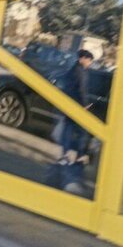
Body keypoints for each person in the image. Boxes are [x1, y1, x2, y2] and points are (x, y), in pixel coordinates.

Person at [48, 49, 96, 195]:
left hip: (71, 104)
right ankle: (78, 154)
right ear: (83, 59)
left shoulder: (74, 69)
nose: (90, 63)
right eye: (89, 60)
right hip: (77, 106)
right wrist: (85, 104)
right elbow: (81, 89)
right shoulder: (80, 71)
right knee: (80, 131)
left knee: (69, 129)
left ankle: (66, 153)